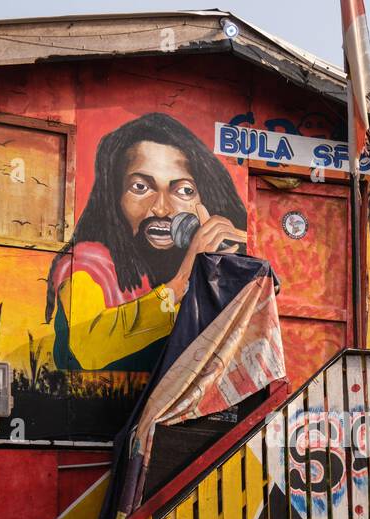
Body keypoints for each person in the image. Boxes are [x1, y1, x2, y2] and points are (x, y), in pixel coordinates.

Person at [44, 112, 248, 375]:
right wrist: (185, 275)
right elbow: (90, 349)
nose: (162, 209)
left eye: (184, 190)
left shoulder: (207, 265)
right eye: (140, 187)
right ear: (114, 197)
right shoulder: (87, 264)